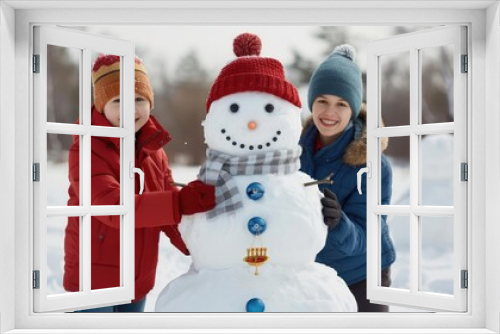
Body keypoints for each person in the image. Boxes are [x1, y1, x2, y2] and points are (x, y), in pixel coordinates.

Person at [64, 54, 216, 312]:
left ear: (150, 103)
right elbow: (111, 206)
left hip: (137, 276)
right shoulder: (88, 148)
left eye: (138, 99)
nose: (131, 109)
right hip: (94, 278)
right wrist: (179, 201)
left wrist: (199, 248)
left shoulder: (153, 150)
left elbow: (168, 210)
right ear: (101, 106)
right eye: (118, 100)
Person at [299, 45, 396, 312]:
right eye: (322, 101)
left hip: (361, 275)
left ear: (353, 109)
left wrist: (338, 221)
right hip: (312, 274)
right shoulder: (293, 151)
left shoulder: (373, 164)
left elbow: (367, 236)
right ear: (312, 103)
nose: (330, 112)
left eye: (341, 104)